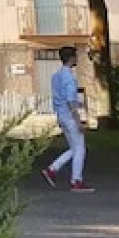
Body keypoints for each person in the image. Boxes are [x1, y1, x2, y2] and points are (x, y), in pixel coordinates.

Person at [42, 45, 94, 192]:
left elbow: (59, 98)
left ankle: (53, 169)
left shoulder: (56, 76)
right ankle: (76, 180)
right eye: (76, 57)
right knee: (80, 149)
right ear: (72, 58)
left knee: (74, 148)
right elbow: (71, 100)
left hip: (61, 114)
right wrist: (79, 121)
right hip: (70, 116)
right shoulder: (70, 78)